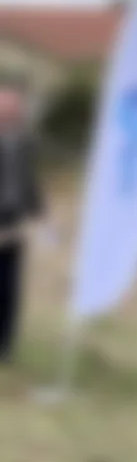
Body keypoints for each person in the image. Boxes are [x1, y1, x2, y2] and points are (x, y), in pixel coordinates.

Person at [0, 77, 41, 365]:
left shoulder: (23, 141)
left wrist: (38, 213)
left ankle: (6, 347)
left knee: (10, 287)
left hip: (13, 222)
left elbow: (28, 182)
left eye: (15, 104)